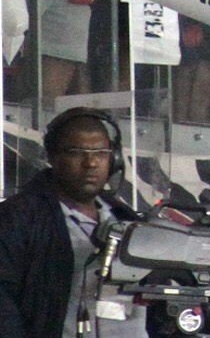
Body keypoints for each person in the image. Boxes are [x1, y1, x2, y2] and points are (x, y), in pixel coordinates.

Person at [0, 110, 133, 338]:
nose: (91, 163)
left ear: (115, 159)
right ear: (52, 157)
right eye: (77, 152)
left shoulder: (127, 219)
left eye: (101, 153)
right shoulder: (16, 218)